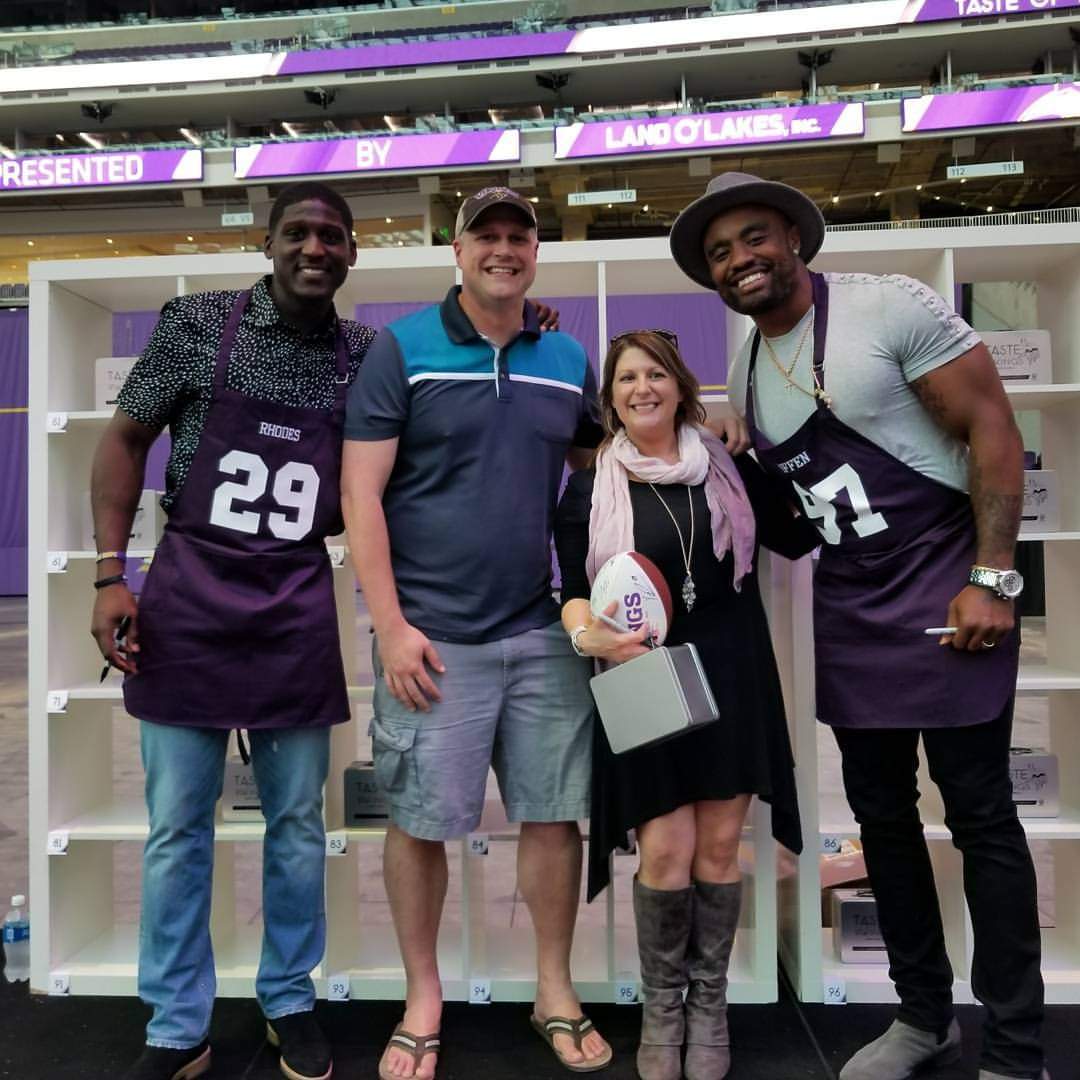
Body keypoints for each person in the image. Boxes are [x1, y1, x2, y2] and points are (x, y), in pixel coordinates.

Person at [667, 171, 1050, 1080]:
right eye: (721, 252)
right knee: (880, 818)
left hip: (947, 584)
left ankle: (1018, 1046)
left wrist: (993, 578)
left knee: (982, 816)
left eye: (754, 238)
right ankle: (924, 1018)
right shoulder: (751, 367)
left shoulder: (890, 308)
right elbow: (800, 518)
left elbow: (994, 429)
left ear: (794, 238)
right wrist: (723, 462)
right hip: (853, 600)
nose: (740, 260)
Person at [90, 180, 369, 1080]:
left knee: (295, 823)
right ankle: (176, 1021)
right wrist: (108, 574)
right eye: (298, 233)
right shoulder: (197, 326)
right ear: (268, 243)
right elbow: (125, 438)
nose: (314, 249)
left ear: (352, 253)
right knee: (177, 824)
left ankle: (290, 997)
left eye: (331, 236)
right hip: (189, 600)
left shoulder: (363, 354)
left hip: (293, 604)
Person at [340, 186, 618, 1080]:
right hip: (432, 640)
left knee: (551, 817)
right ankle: (424, 996)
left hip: (543, 632)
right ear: (456, 250)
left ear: (535, 253)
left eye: (520, 237)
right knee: (421, 824)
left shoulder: (567, 356)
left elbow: (597, 466)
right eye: (487, 236)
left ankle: (553, 989)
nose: (505, 249)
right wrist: (390, 627)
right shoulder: (402, 348)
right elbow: (361, 497)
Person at [553, 329, 810, 1080]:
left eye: (655, 373)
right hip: (643, 677)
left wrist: (753, 440)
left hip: (731, 672)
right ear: (610, 400)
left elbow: (794, 532)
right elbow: (568, 586)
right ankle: (664, 1004)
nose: (642, 388)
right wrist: (588, 637)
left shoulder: (723, 466)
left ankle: (710, 1004)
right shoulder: (590, 486)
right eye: (627, 377)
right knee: (665, 849)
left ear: (680, 385)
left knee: (721, 850)